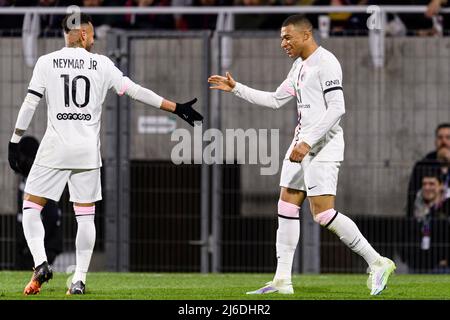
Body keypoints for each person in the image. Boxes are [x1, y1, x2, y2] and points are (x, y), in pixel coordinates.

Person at [8, 13, 203, 296]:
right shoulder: (101, 64)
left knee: (30, 209)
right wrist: (177, 108)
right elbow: (135, 91)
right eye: (93, 34)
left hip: (54, 148)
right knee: (85, 216)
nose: (94, 39)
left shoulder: (46, 62)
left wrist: (14, 140)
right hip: (87, 151)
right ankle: (79, 280)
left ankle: (40, 264)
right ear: (84, 35)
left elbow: (30, 103)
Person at [208, 14, 395, 296]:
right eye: (281, 38)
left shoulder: (326, 62)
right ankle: (282, 280)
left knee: (323, 214)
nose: (283, 43)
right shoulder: (298, 67)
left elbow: (337, 108)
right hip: (300, 145)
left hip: (322, 146)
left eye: (287, 37)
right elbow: (274, 100)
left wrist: (307, 141)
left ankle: (377, 262)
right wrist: (237, 89)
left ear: (306, 34)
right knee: (286, 206)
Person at [14, 136, 62, 270]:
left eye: (21, 156)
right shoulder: (27, 179)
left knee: (29, 271)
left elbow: (52, 215)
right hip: (30, 242)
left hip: (44, 242)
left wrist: (34, 243)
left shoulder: (40, 179)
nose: (19, 160)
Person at [408, 169, 450, 273]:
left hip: (443, 267)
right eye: (424, 184)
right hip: (417, 266)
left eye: (431, 184)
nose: (427, 187)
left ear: (440, 186)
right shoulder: (415, 207)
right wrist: (408, 257)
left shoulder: (447, 207)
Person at [407, 123, 450, 217]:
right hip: (427, 217)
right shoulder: (423, 164)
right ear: (435, 141)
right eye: (440, 138)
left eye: (448, 138)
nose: (444, 141)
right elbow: (412, 195)